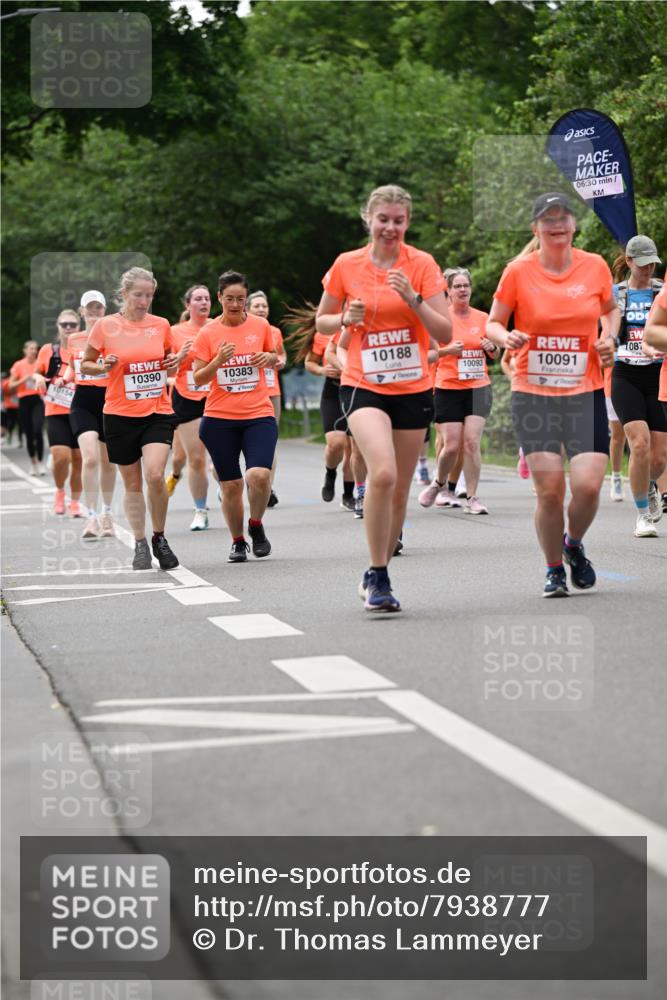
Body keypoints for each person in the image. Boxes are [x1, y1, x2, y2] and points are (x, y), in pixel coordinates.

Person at [316, 183, 451, 612]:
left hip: (412, 386)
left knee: (400, 490)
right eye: (383, 219)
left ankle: (377, 567)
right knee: (385, 473)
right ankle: (378, 573)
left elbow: (445, 332)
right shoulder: (346, 265)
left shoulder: (423, 265)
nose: (390, 227)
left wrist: (412, 299)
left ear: (407, 222)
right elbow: (322, 322)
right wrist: (344, 317)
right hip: (362, 382)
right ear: (368, 219)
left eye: (398, 220)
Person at [486, 192, 618, 597]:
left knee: (589, 486)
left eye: (563, 217)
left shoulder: (594, 266)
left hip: (585, 390)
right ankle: (553, 569)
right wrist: (506, 335)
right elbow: (492, 323)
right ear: (535, 228)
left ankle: (573, 544)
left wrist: (608, 336)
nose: (557, 224)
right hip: (534, 392)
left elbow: (610, 310)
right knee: (549, 490)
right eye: (548, 219)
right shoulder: (518, 271)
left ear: (574, 225)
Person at [80, 267, 183, 570]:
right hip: (119, 414)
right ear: (123, 294)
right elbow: (86, 365)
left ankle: (160, 538)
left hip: (157, 411)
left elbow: (171, 367)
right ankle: (139, 543)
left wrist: (176, 362)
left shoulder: (162, 325)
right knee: (133, 484)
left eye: (149, 295)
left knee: (154, 475)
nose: (144, 301)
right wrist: (104, 365)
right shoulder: (105, 326)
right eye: (138, 294)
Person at [192, 270, 279, 562]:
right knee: (230, 485)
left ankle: (256, 525)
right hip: (219, 419)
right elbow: (199, 378)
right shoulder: (208, 333)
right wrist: (218, 361)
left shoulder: (261, 325)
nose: (235, 304)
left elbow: (275, 358)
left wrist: (270, 359)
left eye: (240, 299)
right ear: (219, 298)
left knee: (259, 474)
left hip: (258, 414)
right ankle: (237, 540)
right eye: (229, 298)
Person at [419, 267, 499, 514]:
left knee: (471, 442)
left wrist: (492, 347)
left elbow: (497, 354)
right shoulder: (440, 320)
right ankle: (439, 483)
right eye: (458, 286)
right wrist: (446, 351)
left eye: (466, 286)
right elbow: (427, 355)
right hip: (448, 387)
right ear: (449, 291)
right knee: (451, 445)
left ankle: (472, 498)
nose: (463, 290)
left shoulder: (483, 317)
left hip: (478, 387)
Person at [609, 236, 665, 537]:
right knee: (639, 444)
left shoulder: (662, 292)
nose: (647, 269)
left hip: (659, 374)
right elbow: (606, 333)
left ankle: (650, 485)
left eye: (652, 264)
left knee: (659, 457)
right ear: (629, 261)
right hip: (625, 375)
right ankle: (643, 515)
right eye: (642, 264)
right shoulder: (616, 294)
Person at [285, 303, 357, 510]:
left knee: (353, 447)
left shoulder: (363, 328)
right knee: (337, 443)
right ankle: (330, 471)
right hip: (333, 390)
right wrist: (323, 371)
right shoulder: (324, 332)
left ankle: (349, 494)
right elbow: (310, 362)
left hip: (357, 390)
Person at [67, 290, 118, 538]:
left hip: (109, 400)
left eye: (98, 307)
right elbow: (71, 368)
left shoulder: (114, 336)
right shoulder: (74, 339)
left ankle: (107, 513)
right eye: (90, 307)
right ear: (82, 310)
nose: (94, 311)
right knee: (90, 458)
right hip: (83, 400)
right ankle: (91, 517)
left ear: (105, 310)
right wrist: (62, 379)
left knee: (108, 461)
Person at [167, 284, 213, 530]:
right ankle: (200, 510)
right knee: (193, 459)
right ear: (188, 305)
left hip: (217, 395)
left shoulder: (219, 326)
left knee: (219, 458)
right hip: (186, 396)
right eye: (198, 298)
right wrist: (181, 356)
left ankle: (227, 490)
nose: (203, 302)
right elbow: (170, 370)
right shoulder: (175, 332)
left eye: (206, 298)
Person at [33, 310, 82, 516]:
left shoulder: (85, 348)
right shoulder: (48, 350)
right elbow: (38, 371)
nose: (69, 328)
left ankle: (76, 502)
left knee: (79, 459)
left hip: (80, 410)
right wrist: (37, 378)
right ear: (58, 326)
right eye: (65, 324)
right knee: (60, 456)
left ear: (79, 326)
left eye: (73, 324)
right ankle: (60, 491)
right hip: (56, 410)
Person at [246, 290, 287, 508]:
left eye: (264, 306)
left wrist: (280, 361)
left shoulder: (275, 331)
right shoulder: (243, 330)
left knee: (270, 441)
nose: (262, 309)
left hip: (272, 391)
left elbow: (281, 354)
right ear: (248, 309)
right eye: (257, 306)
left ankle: (267, 486)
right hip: (250, 391)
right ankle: (245, 479)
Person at [9, 340, 45, 475]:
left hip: (38, 400)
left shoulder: (40, 363)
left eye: (36, 349)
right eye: (31, 349)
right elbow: (11, 385)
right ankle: (33, 462)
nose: (34, 351)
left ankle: (41, 462)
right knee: (29, 433)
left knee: (37, 430)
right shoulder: (18, 365)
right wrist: (23, 379)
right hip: (24, 401)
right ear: (25, 350)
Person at [1, 371, 20, 445]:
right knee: (5, 423)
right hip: (6, 406)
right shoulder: (5, 383)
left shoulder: (15, 381)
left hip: (14, 405)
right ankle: (3, 436)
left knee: (11, 422)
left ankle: (8, 435)